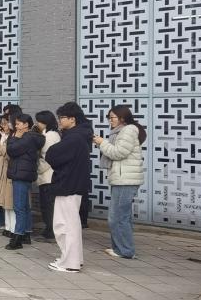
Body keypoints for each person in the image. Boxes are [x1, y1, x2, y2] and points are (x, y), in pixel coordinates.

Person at [93, 104, 146, 259]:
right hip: (123, 179)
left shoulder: (128, 130)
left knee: (117, 217)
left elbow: (118, 153)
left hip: (125, 180)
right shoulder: (121, 131)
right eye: (109, 118)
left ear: (122, 118)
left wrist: (102, 142)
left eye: (112, 117)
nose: (110, 121)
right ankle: (120, 248)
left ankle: (125, 251)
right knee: (123, 217)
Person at [45, 102, 93, 273]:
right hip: (73, 184)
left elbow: (52, 154)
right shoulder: (79, 135)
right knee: (71, 224)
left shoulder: (74, 138)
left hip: (69, 184)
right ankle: (74, 259)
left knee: (64, 225)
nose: (60, 121)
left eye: (62, 118)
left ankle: (70, 263)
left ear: (72, 119)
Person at [5, 113, 44, 250]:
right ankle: (26, 233)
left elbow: (11, 150)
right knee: (25, 206)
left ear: (26, 124)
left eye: (18, 124)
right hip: (25, 173)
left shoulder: (26, 138)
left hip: (21, 174)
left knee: (19, 207)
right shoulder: (32, 137)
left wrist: (15, 137)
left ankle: (17, 238)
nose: (16, 126)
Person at [35, 111, 61, 242]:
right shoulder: (50, 134)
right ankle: (49, 228)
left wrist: (37, 169)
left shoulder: (50, 136)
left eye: (39, 121)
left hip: (48, 175)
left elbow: (47, 158)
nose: (37, 124)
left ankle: (51, 230)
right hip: (47, 175)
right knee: (47, 204)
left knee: (48, 205)